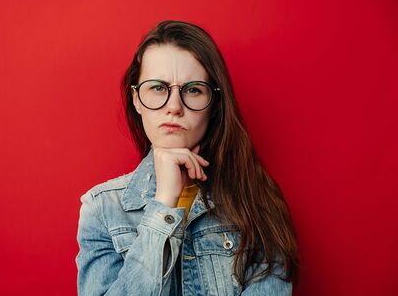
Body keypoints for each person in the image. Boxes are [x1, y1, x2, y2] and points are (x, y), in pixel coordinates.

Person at [76, 20, 300, 295]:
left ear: (214, 103)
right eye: (157, 88)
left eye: (193, 90)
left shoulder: (255, 202)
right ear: (136, 99)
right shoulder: (101, 209)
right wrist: (163, 205)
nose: (173, 107)